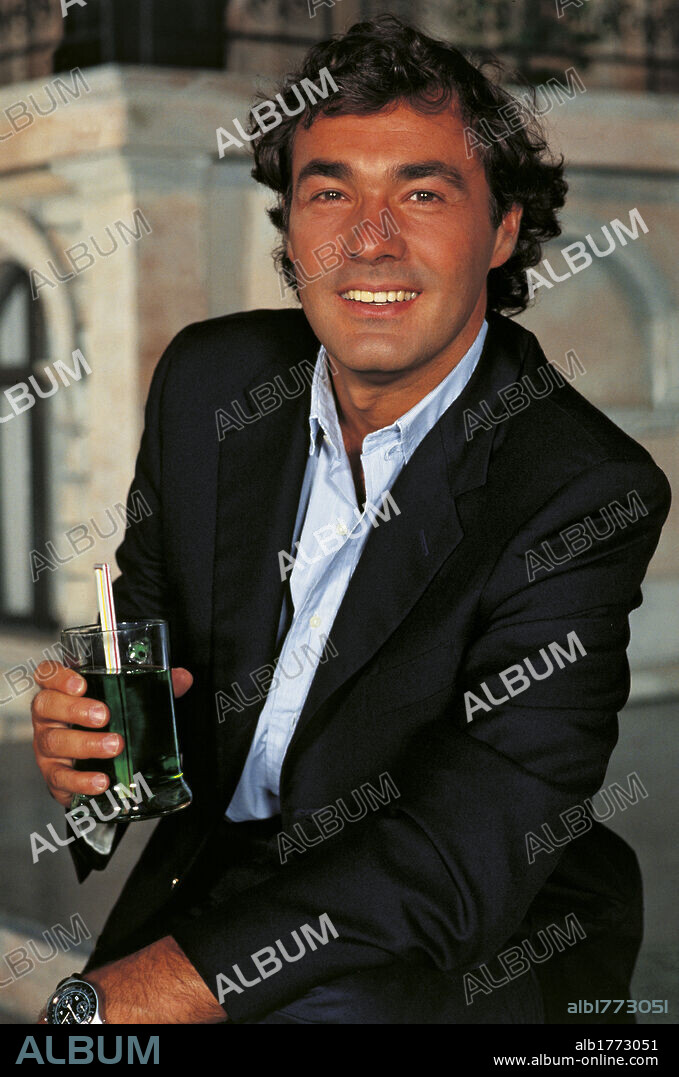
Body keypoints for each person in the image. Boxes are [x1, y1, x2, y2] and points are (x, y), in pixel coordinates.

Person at [31, 15, 670, 1024]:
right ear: (287, 225)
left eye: (421, 193)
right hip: (222, 878)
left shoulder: (577, 486)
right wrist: (95, 756)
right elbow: (145, 640)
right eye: (330, 193)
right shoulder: (211, 381)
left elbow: (468, 843)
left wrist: (158, 988)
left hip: (451, 927)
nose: (369, 239)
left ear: (503, 229)